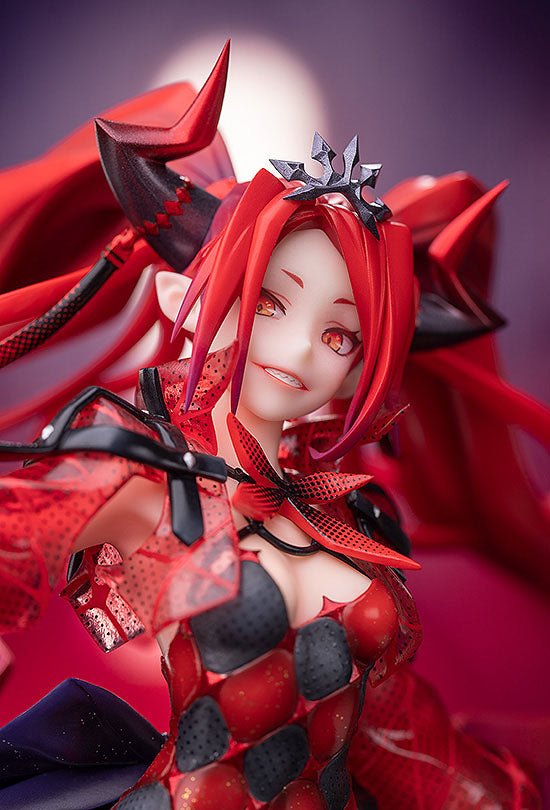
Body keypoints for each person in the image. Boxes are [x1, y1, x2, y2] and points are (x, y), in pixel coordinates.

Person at [0, 44, 543, 809]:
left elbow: (404, 750)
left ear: (361, 372)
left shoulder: (353, 520)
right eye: (269, 304)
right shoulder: (146, 471)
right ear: (186, 302)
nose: (297, 351)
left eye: (339, 335)